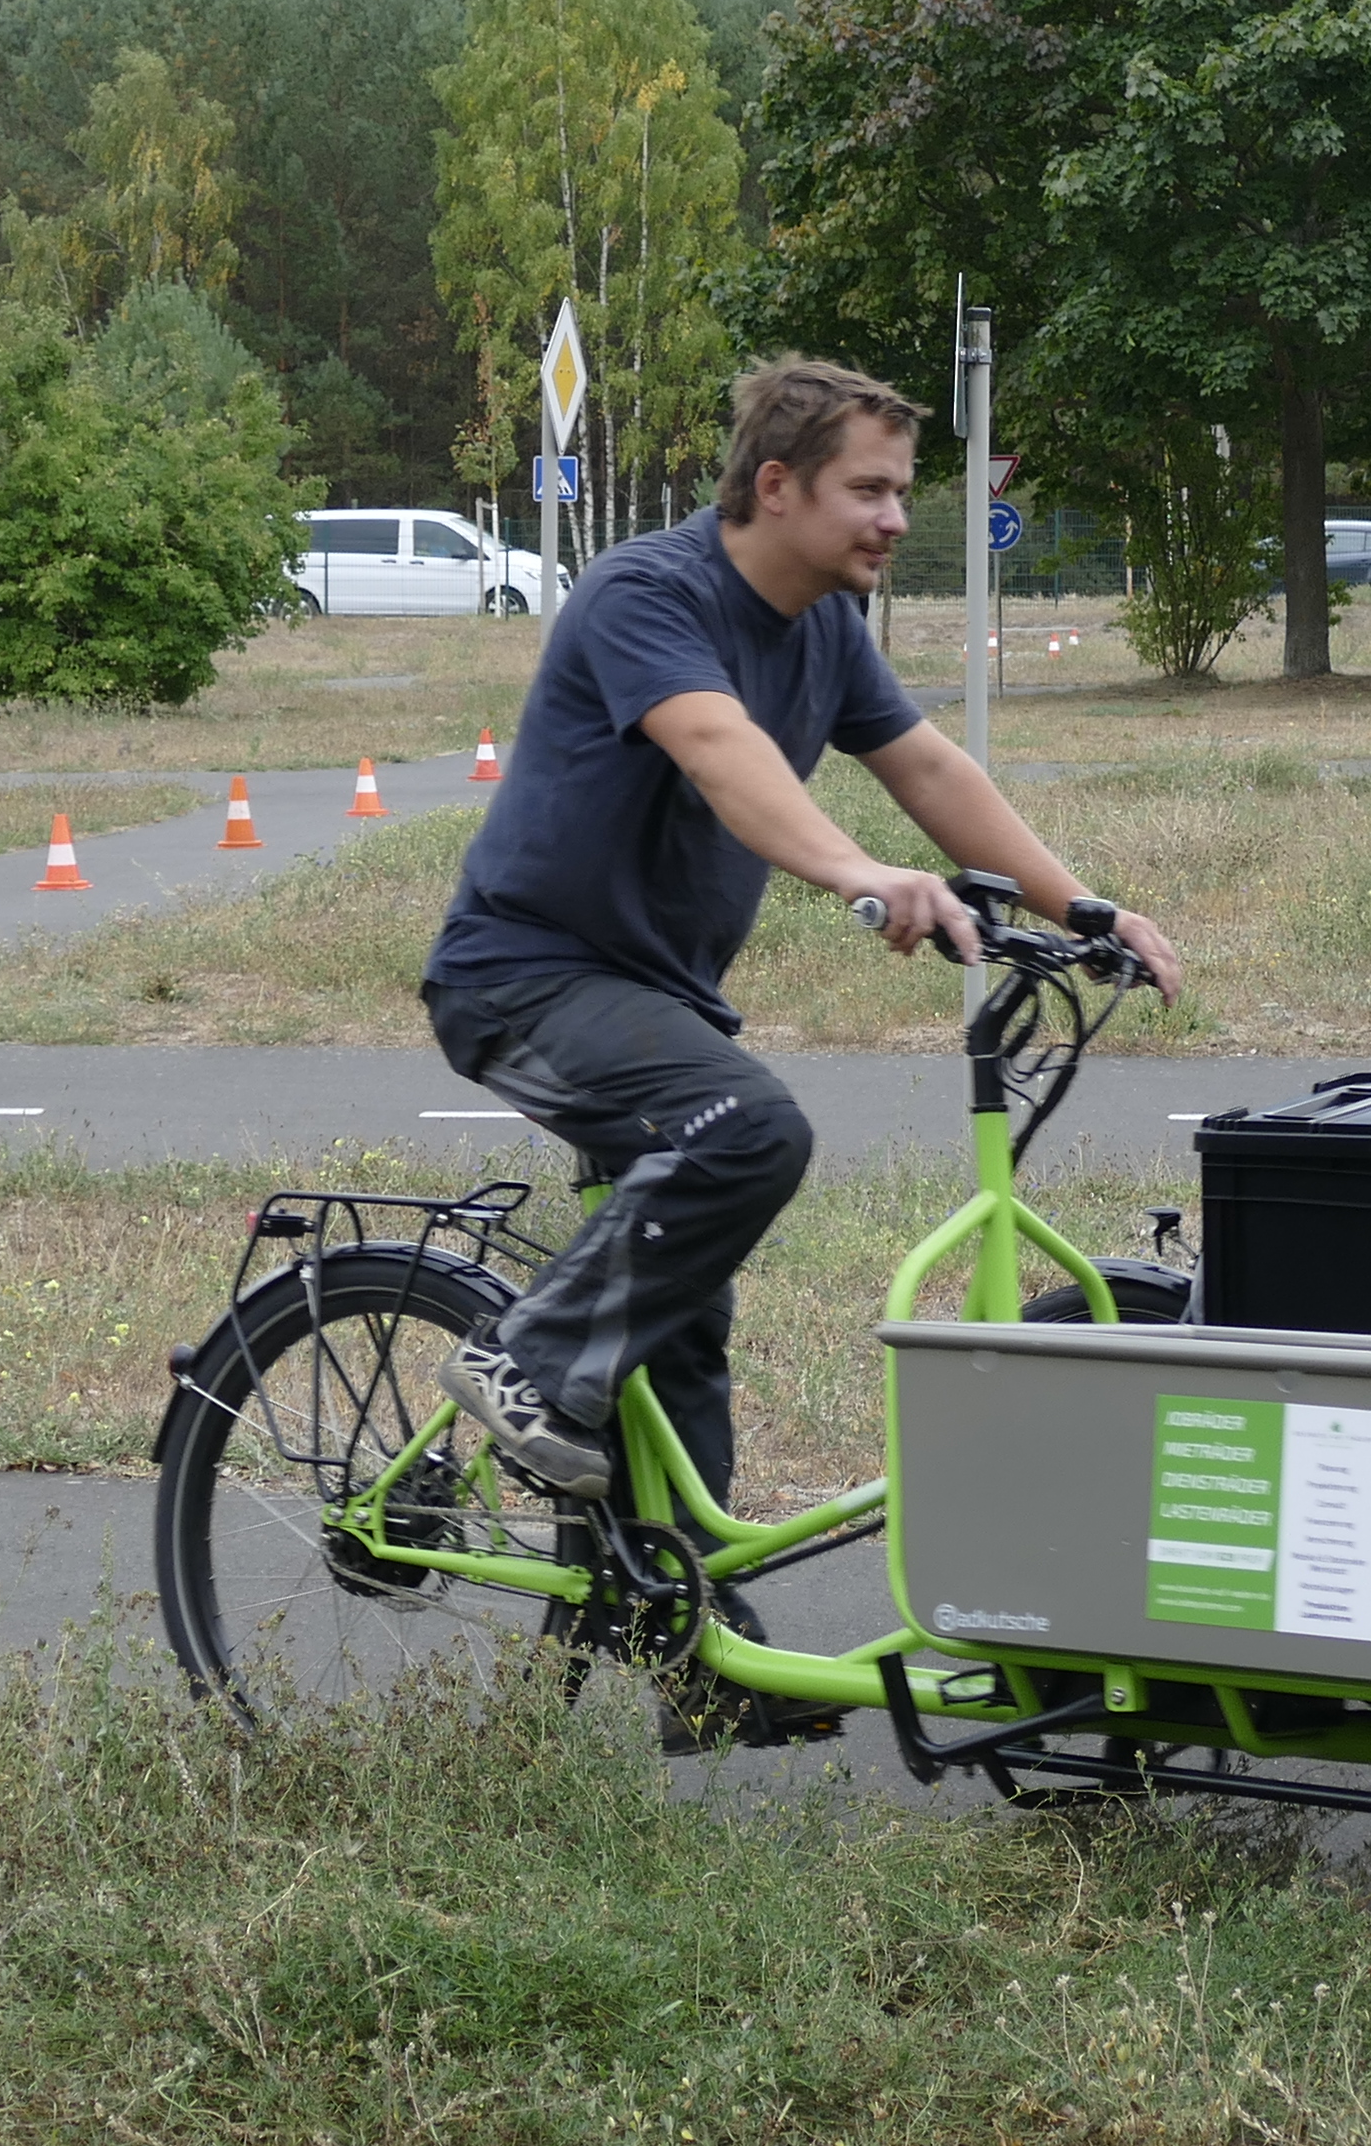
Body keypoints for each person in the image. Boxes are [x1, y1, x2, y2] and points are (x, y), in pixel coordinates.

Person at [427, 358, 1184, 1512]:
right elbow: (722, 751)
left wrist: (1080, 906)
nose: (895, 519)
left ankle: (698, 1667)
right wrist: (860, 874)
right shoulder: (649, 594)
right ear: (776, 485)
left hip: (661, 998)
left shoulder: (827, 623)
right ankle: (518, 1363)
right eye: (869, 491)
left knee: (680, 1332)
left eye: (900, 492)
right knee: (747, 1132)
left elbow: (926, 764)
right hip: (524, 979)